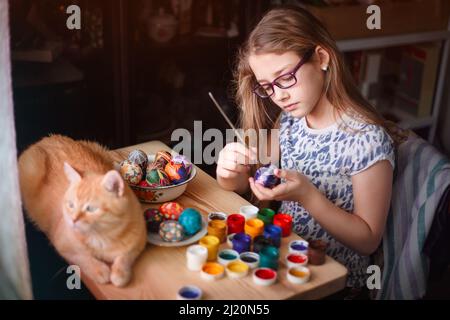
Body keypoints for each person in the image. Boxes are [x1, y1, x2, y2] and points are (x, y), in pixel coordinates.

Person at [216, 5, 406, 298]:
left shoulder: (366, 139)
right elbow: (252, 180)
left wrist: (307, 196)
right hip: (288, 262)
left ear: (321, 58)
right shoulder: (291, 120)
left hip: (334, 283)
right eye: (267, 86)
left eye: (285, 77)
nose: (279, 95)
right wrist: (230, 172)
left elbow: (368, 240)